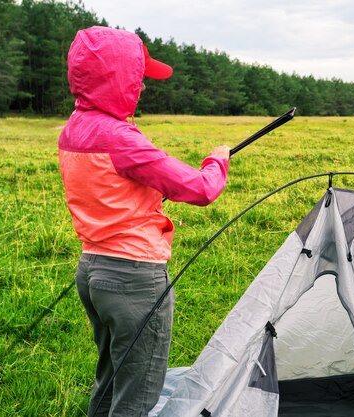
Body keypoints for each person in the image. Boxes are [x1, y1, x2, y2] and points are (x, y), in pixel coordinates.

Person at [58, 26, 230, 416]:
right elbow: (201, 189)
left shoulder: (73, 128)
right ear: (118, 80)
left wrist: (149, 189)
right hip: (134, 278)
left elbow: (113, 186)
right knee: (138, 396)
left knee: (112, 380)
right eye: (138, 78)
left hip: (91, 272)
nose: (143, 88)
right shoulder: (121, 138)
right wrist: (218, 159)